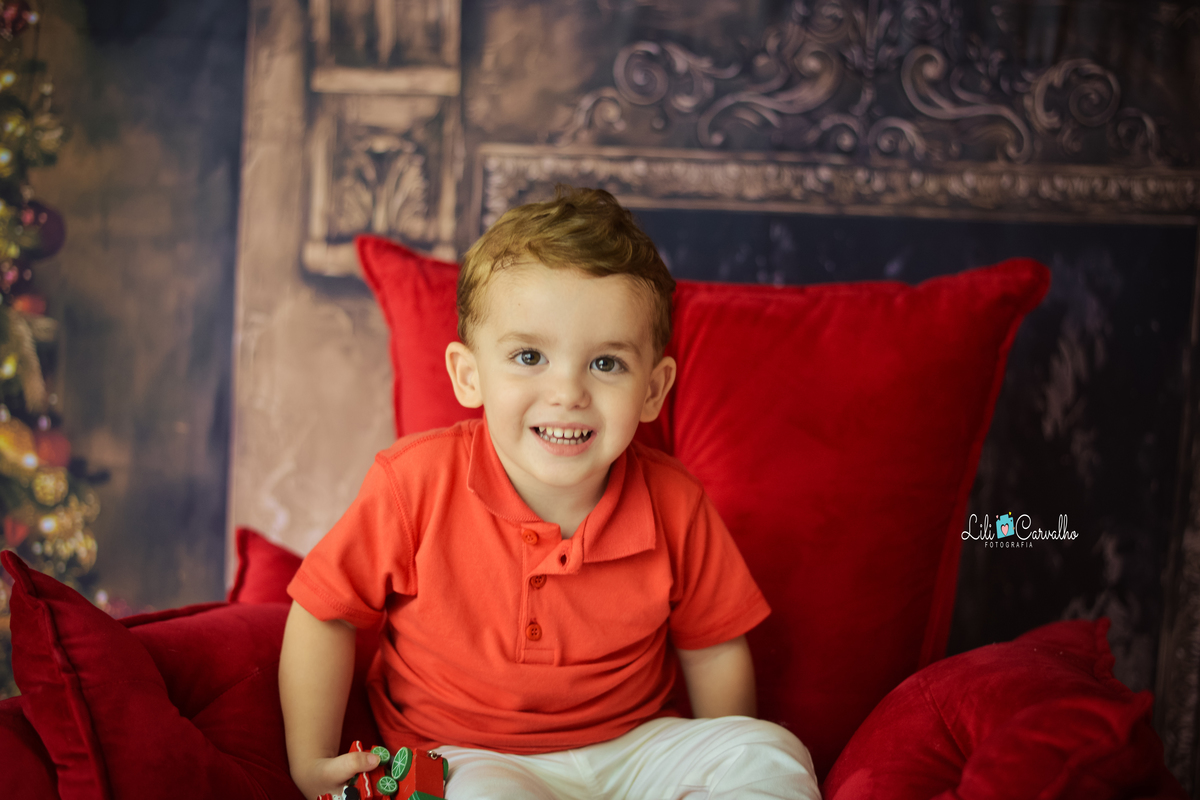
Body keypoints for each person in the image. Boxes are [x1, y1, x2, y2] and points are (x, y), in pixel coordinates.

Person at [279, 186, 821, 800]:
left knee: (769, 752)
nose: (568, 392)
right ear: (468, 375)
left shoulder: (675, 501)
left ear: (653, 389)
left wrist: (715, 751)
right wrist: (309, 759)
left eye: (607, 364)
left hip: (634, 748)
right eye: (530, 355)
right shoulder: (414, 483)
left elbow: (714, 650)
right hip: (468, 755)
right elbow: (324, 611)